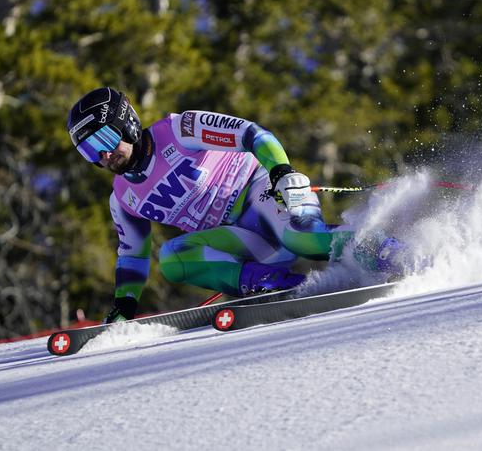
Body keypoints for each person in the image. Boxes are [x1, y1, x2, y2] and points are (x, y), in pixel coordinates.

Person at [67, 87, 406, 323]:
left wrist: (281, 171)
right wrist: (124, 305)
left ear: (126, 124)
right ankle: (280, 288)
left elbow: (251, 134)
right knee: (172, 258)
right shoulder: (123, 197)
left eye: (104, 140)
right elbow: (132, 256)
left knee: (303, 239)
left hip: (260, 192)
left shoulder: (178, 129)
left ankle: (389, 253)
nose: (103, 155)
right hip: (238, 237)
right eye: (88, 151)